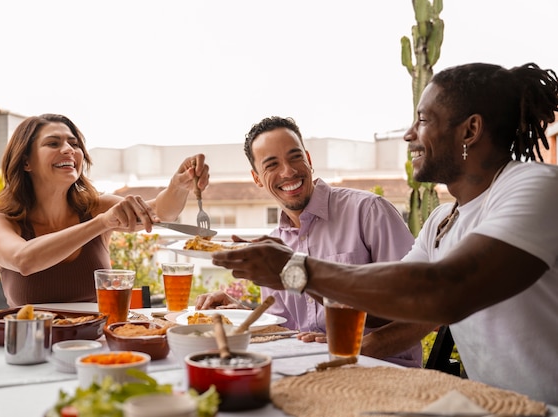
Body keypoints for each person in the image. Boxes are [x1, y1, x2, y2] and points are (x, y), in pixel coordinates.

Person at [212, 63, 558, 405]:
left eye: (422, 120)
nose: (409, 134)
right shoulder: (441, 221)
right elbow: (395, 305)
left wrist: (297, 269)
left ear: (470, 131)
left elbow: (445, 291)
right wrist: (289, 285)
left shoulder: (536, 187)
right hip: (501, 406)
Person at [197, 116, 435, 368]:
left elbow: (425, 310)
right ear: (257, 178)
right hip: (312, 370)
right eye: (272, 164)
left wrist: (356, 349)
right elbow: (287, 329)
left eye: (295, 157)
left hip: (385, 370)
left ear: (309, 160)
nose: (288, 172)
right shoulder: (274, 246)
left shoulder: (368, 211)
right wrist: (241, 311)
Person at [0, 113, 209, 307]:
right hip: (33, 347)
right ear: (26, 161)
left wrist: (178, 186)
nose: (69, 149)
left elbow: (159, 212)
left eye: (74, 143)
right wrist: (101, 223)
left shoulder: (96, 207)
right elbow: (23, 260)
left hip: (95, 344)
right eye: (53, 143)